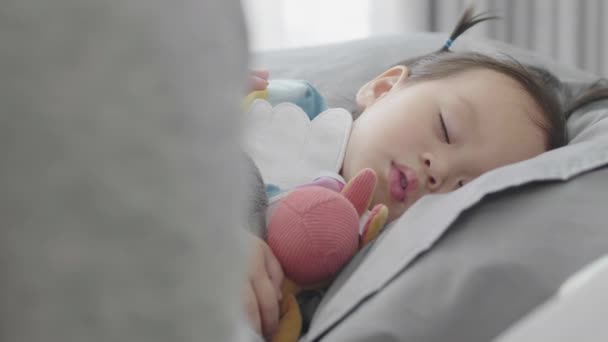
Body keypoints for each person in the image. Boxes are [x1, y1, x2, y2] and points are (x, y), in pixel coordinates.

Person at [242, 6, 608, 339]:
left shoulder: (357, 266)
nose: (441, 171)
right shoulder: (273, 114)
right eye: (446, 129)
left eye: (464, 186)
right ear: (384, 88)